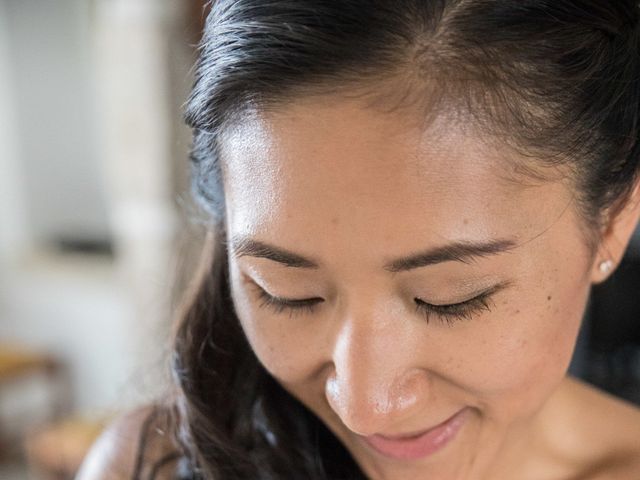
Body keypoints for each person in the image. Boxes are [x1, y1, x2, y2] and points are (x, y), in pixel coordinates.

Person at [77, 1, 640, 479]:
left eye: (450, 298)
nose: (366, 407)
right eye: (286, 292)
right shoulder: (153, 463)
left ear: (614, 219)